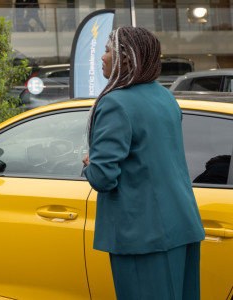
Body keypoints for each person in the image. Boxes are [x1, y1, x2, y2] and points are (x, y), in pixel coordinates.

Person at [82, 27, 206, 300]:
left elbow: (103, 177)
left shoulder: (115, 103)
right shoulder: (165, 97)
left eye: (106, 51)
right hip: (182, 225)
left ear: (125, 59)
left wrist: (89, 163)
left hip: (142, 235)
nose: (102, 58)